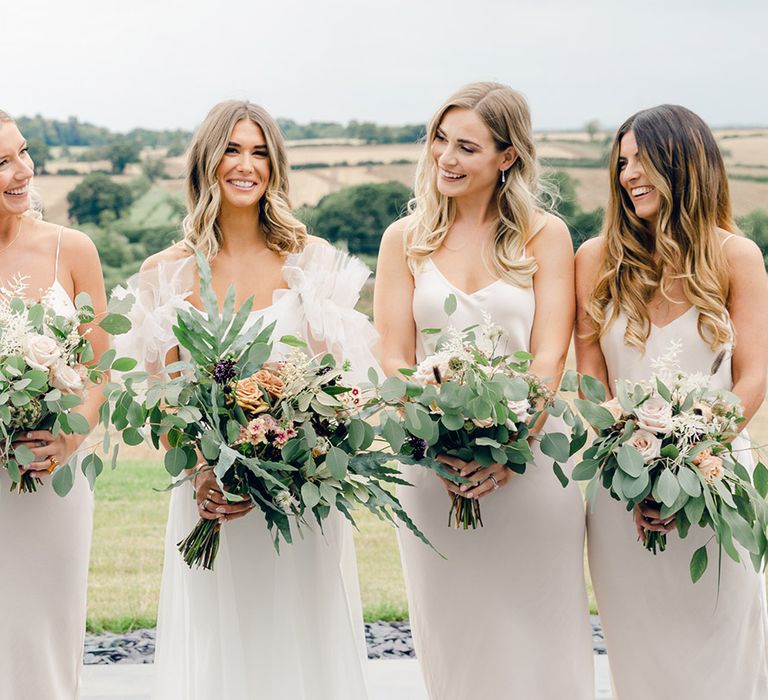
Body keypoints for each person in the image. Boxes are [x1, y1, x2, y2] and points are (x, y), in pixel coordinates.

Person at [117, 100, 375, 700]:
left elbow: (341, 395)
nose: (246, 164)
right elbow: (163, 411)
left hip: (298, 496)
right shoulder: (166, 275)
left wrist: (294, 450)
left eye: (260, 152)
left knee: (301, 646)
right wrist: (205, 471)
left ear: (275, 167)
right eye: (232, 149)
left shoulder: (310, 268)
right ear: (207, 162)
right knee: (221, 655)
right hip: (212, 500)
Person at [374, 82, 594, 699]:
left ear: (507, 158)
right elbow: (393, 352)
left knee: (540, 630)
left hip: (531, 465)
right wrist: (428, 426)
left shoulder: (545, 235)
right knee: (454, 634)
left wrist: (510, 446)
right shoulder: (405, 238)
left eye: (467, 146)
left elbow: (550, 354)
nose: (445, 156)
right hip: (429, 465)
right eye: (439, 140)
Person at [576, 104, 768, 698]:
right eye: (623, 161)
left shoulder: (737, 256)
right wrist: (636, 470)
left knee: (720, 652)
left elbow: (755, 375)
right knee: (642, 658)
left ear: (684, 164)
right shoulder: (595, 258)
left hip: (715, 483)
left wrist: (689, 460)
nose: (628, 173)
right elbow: (590, 383)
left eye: (643, 160)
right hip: (618, 487)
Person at [0, 110, 110, 699]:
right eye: (1, 162)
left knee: (45, 639)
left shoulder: (73, 248)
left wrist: (72, 438)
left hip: (52, 481)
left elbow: (100, 365)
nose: (21, 171)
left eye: (23, 152)